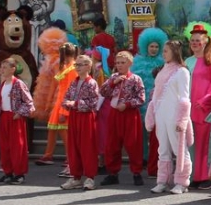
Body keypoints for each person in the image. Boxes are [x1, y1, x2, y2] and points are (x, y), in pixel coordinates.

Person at [144, 40, 193, 195]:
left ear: (174, 51)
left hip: (174, 115)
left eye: (166, 51)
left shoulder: (182, 72)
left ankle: (182, 182)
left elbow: (185, 97)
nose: (163, 53)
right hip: (161, 115)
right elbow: (156, 95)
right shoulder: (162, 71)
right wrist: (152, 114)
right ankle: (162, 181)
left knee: (179, 148)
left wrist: (182, 119)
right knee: (163, 149)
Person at [99, 51, 146, 186]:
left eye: (122, 62)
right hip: (114, 114)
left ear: (130, 63)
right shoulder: (113, 77)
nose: (119, 65)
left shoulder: (136, 79)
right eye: (117, 63)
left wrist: (127, 105)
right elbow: (102, 92)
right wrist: (113, 83)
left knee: (133, 144)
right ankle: (113, 173)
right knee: (112, 144)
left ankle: (136, 173)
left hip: (130, 115)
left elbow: (141, 98)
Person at [187, 24, 211, 191]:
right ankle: (194, 176)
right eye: (192, 40)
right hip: (189, 109)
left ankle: (205, 177)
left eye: (198, 40)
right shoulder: (187, 61)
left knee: (205, 144)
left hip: (204, 110)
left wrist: (205, 101)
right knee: (191, 143)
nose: (195, 43)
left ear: (205, 42)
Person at [61, 55, 101, 191]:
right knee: (74, 146)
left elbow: (93, 103)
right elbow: (66, 97)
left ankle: (90, 177)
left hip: (86, 117)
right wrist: (66, 103)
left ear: (88, 66)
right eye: (76, 65)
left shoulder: (92, 83)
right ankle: (76, 177)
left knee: (87, 147)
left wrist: (76, 103)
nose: (77, 67)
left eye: (80, 65)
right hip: (74, 116)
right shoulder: (74, 82)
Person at [37, 42, 78, 172]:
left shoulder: (73, 69)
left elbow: (70, 91)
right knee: (53, 129)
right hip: (59, 102)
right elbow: (57, 87)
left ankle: (70, 157)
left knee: (64, 131)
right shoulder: (64, 67)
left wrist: (64, 110)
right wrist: (50, 102)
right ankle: (48, 154)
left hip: (65, 104)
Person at [0, 59, 34, 184]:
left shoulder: (19, 84)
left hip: (15, 118)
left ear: (13, 69)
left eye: (5, 67)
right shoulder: (3, 84)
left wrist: (19, 113)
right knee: (4, 147)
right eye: (1, 67)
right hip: (4, 117)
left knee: (17, 146)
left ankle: (19, 174)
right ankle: (8, 172)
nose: (2, 69)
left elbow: (29, 102)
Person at [131, 28, 166, 178]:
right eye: (151, 46)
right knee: (141, 134)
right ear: (145, 46)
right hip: (141, 103)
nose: (154, 49)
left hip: (157, 103)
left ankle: (155, 159)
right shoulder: (137, 62)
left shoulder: (164, 63)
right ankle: (143, 159)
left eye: (157, 46)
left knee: (156, 134)